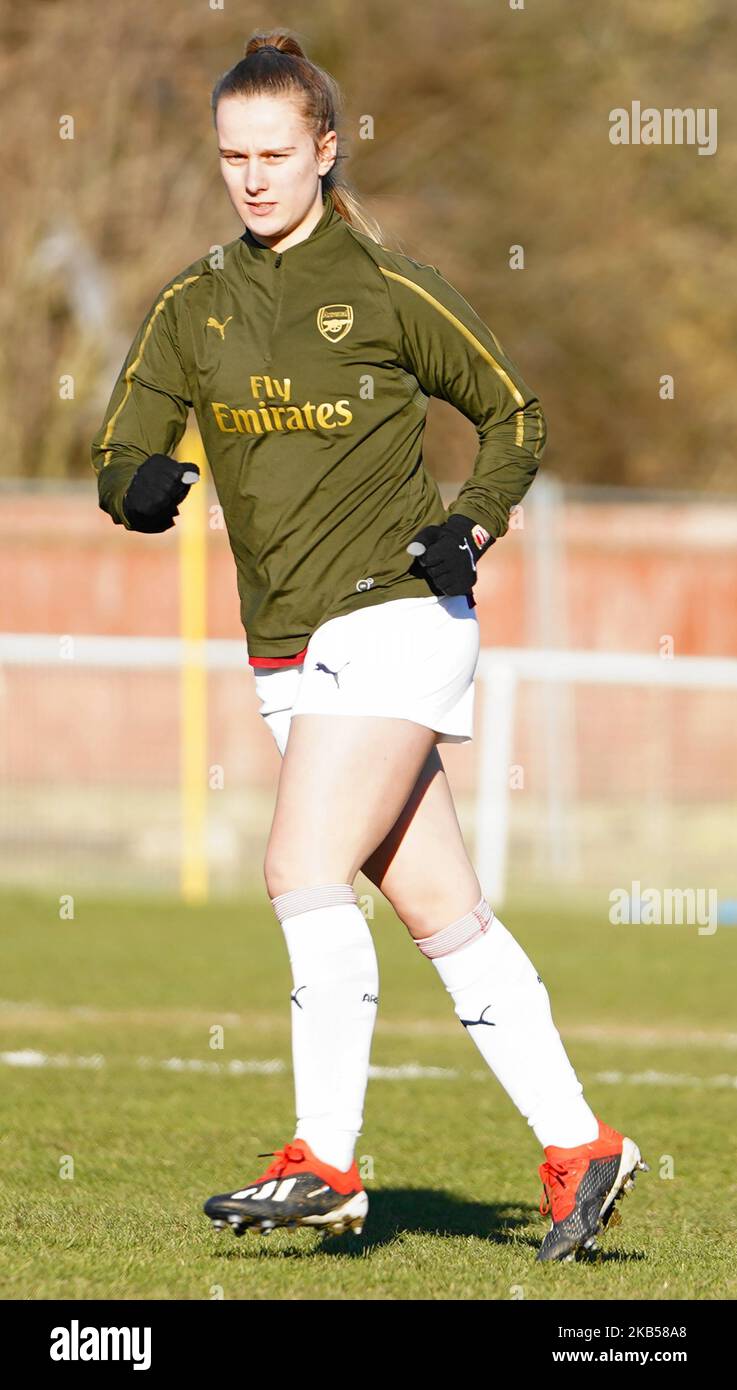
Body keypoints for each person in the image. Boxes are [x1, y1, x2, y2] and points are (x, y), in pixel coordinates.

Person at [91, 29, 647, 1263]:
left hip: (395, 613)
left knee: (298, 867)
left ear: (325, 151)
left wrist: (473, 522)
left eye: (274, 153)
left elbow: (513, 412)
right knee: (442, 913)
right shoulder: (194, 305)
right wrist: (131, 484)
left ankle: (325, 1163)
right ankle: (582, 1145)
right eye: (232, 155)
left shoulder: (389, 285)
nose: (250, 177)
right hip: (285, 649)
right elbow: (122, 441)